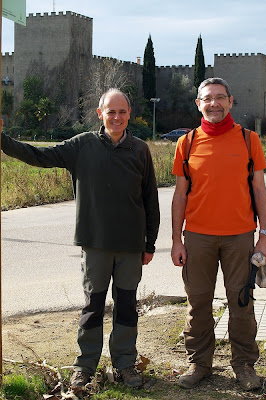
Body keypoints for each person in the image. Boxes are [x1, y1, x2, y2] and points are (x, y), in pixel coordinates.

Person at [1, 88, 160, 389]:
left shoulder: (140, 149)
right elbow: (40, 155)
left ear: (129, 114)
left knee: (126, 306)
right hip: (95, 243)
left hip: (130, 247)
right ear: (100, 113)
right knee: (93, 307)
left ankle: (125, 364)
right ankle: (84, 366)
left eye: (122, 111)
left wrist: (150, 243)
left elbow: (150, 199)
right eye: (110, 111)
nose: (116, 117)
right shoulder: (82, 145)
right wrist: (3, 141)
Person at [171, 78, 266, 391]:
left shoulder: (248, 139)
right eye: (207, 99)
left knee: (242, 303)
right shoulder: (186, 143)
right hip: (197, 237)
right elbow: (180, 195)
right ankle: (199, 364)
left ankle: (244, 366)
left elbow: (259, 189)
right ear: (198, 104)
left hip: (240, 237)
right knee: (198, 304)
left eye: (219, 98)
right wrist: (176, 240)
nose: (213, 103)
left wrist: (265, 235)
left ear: (230, 101)